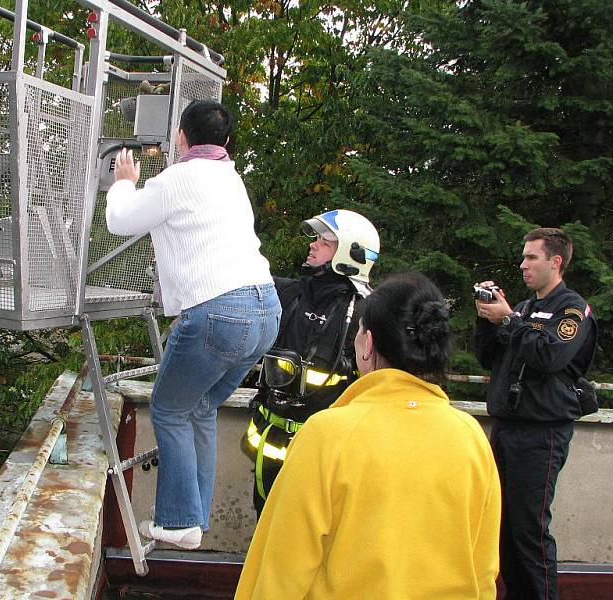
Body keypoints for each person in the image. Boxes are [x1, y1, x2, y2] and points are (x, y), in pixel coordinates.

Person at [236, 273, 501, 600]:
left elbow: (280, 570)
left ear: (368, 344)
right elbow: (484, 569)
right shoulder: (470, 437)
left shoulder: (327, 434)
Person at [106, 100, 280, 550]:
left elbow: (119, 220)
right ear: (224, 141)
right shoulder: (231, 178)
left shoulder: (178, 179)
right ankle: (194, 518)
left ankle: (179, 520)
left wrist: (124, 183)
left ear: (182, 137)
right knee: (201, 408)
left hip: (220, 314)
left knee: (169, 409)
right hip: (266, 311)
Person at [474, 227, 597, 600]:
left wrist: (509, 320)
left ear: (555, 262)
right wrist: (487, 318)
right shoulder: (526, 309)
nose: (523, 264)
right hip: (508, 428)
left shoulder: (571, 309)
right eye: (523, 256)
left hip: (541, 433)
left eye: (531, 257)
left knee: (529, 530)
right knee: (504, 529)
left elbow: (549, 356)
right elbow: (489, 358)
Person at [242, 209, 378, 515]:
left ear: (351, 253)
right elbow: (241, 274)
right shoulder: (289, 293)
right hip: (269, 446)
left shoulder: (365, 314)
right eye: (316, 239)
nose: (313, 245)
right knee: (268, 529)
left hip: (324, 456)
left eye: (325, 242)